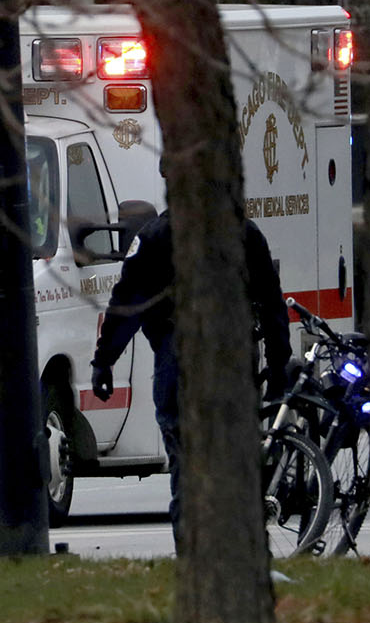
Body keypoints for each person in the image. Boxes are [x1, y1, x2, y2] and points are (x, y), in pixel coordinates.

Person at [89, 192, 291, 552]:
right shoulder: (244, 234)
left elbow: (126, 306)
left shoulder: (155, 237)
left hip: (178, 360)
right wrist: (278, 368)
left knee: (186, 467)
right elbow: (272, 305)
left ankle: (193, 557)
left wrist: (104, 361)